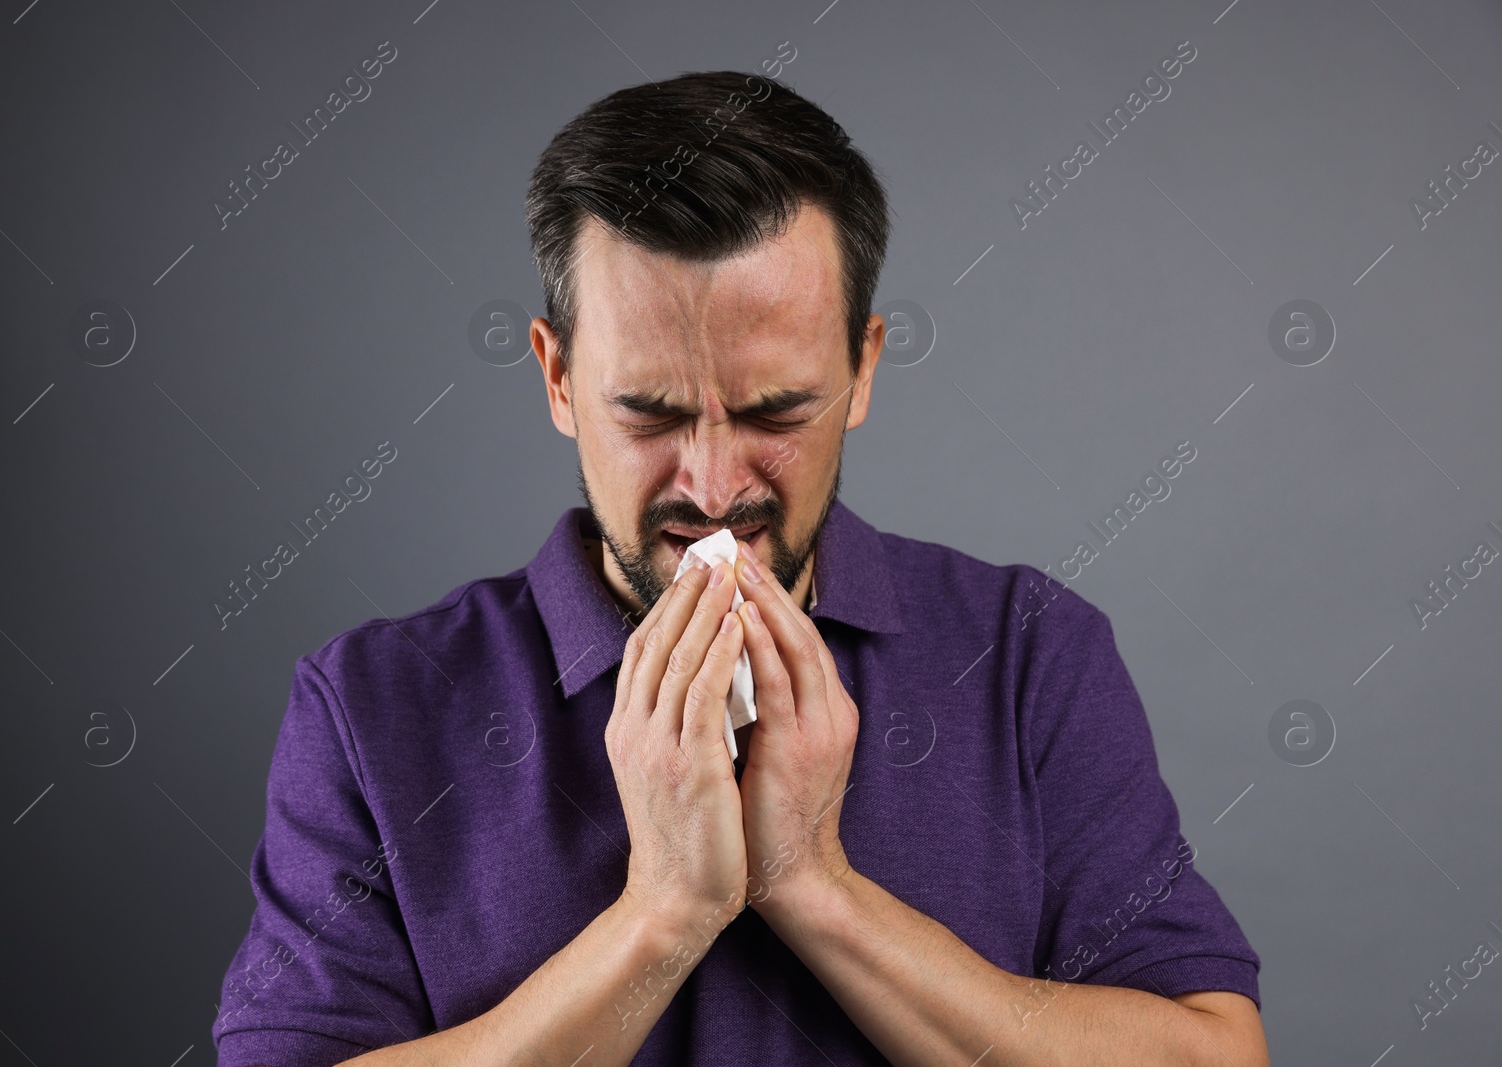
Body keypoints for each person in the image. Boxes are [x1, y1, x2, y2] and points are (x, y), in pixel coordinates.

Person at [212, 69, 1268, 1066]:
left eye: (775, 411)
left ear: (860, 369)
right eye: (650, 413)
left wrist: (814, 886)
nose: (714, 485)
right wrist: (663, 911)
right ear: (558, 377)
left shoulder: (1028, 651)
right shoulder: (369, 702)